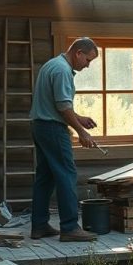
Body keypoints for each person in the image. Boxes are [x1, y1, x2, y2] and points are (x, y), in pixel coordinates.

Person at [29, 37, 101, 241]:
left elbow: (58, 106)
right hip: (52, 129)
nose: (87, 66)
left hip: (40, 126)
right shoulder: (62, 71)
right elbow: (62, 107)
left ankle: (39, 225)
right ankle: (70, 227)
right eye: (88, 60)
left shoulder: (52, 65)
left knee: (45, 177)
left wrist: (79, 118)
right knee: (67, 175)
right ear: (78, 52)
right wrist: (81, 131)